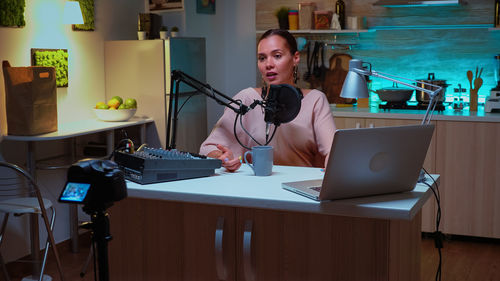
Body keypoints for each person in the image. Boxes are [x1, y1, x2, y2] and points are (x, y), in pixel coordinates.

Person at [199, 29, 336, 172]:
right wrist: (222, 157)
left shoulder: (315, 100)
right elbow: (209, 148)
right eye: (262, 58)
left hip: (300, 189)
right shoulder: (246, 99)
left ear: (295, 58)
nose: (268, 64)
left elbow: (333, 152)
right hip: (256, 188)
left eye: (277, 56)